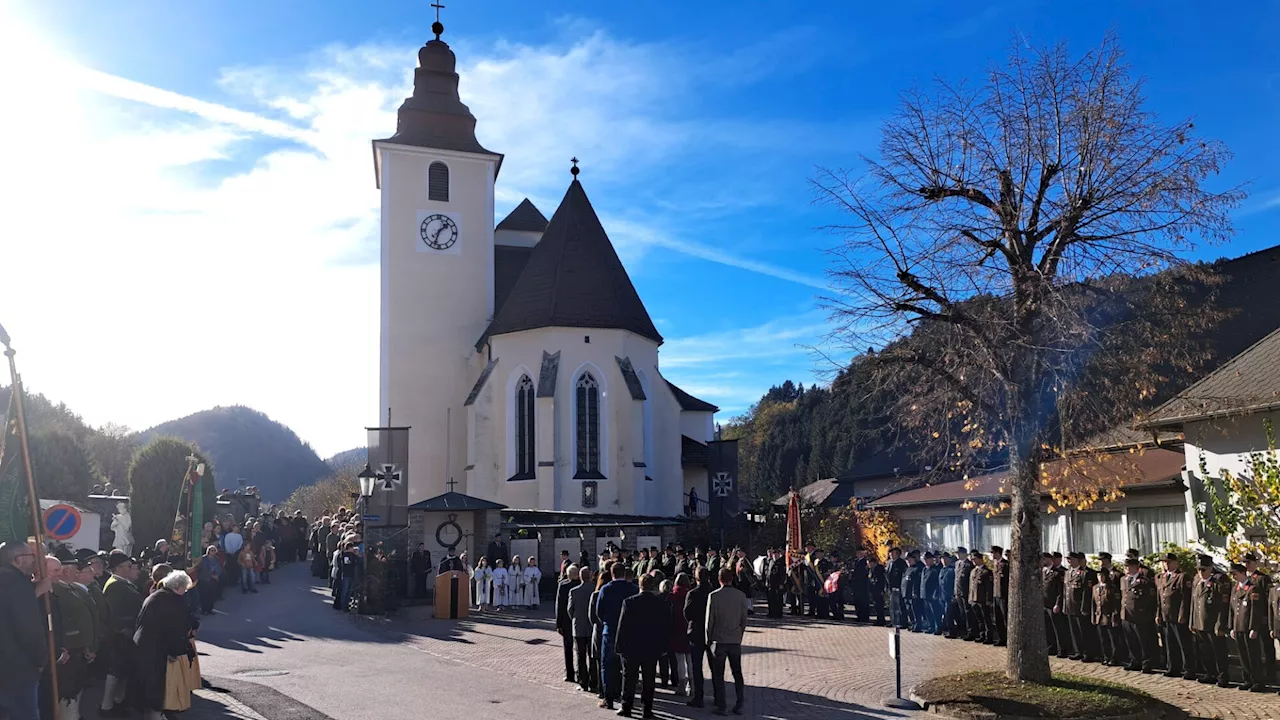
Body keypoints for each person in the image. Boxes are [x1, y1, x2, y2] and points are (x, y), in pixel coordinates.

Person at [134, 570, 198, 720]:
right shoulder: (169, 601)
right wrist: (176, 651)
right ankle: (155, 716)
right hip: (155, 649)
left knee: (150, 685)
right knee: (155, 686)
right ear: (179, 587)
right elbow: (172, 630)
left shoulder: (158, 596)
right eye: (185, 589)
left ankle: (157, 714)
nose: (185, 592)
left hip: (144, 644)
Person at [0, 542, 46, 720]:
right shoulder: (16, 583)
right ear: (19, 560)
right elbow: (29, 629)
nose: (35, 561)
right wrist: (41, 659)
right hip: (17, 669)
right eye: (31, 557)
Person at [615, 573, 671, 718]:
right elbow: (665, 627)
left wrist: (619, 646)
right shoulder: (660, 603)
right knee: (649, 679)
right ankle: (647, 709)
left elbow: (623, 626)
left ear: (639, 585)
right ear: (653, 586)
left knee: (629, 679)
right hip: (651, 647)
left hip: (632, 647)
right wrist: (664, 647)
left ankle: (626, 706)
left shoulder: (629, 602)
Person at [100, 551, 142, 718]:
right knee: (116, 669)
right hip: (120, 635)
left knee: (122, 669)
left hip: (126, 633)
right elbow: (114, 612)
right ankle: (107, 705)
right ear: (118, 568)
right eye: (128, 566)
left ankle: (117, 701)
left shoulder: (122, 583)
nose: (131, 569)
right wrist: (123, 629)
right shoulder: (115, 585)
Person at [706, 566, 748, 716]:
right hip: (735, 639)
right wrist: (739, 634)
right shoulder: (741, 596)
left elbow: (709, 621)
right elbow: (744, 619)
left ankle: (721, 705)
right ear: (732, 579)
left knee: (719, 674)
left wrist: (708, 639)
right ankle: (740, 703)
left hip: (719, 640)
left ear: (719, 579)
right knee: (737, 672)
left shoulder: (714, 596)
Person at [597, 562, 636, 710]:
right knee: (625, 667)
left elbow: (599, 611)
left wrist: (606, 622)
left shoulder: (605, 589)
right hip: (628, 633)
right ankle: (622, 695)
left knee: (607, 665)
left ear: (612, 573)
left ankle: (608, 698)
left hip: (610, 631)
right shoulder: (633, 589)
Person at [1191, 555, 1230, 687]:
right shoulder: (1197, 581)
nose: (1201, 573)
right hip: (1200, 622)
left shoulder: (1218, 582)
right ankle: (1210, 673)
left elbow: (1222, 606)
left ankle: (1222, 676)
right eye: (1199, 570)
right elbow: (1194, 603)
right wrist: (1193, 621)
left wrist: (1220, 624)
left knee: (1218, 651)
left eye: (1204, 570)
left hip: (1213, 624)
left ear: (1210, 569)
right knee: (1205, 650)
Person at [1121, 555, 1159, 673]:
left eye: (1129, 566)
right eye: (1125, 566)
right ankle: (1134, 661)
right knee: (1131, 640)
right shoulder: (1124, 580)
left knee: (1143, 641)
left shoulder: (1144, 582)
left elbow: (1150, 600)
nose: (1126, 569)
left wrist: (1148, 615)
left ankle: (1146, 663)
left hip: (1140, 616)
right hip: (1126, 614)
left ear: (1136, 567)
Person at [1061, 551, 1098, 662]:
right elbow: (1065, 591)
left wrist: (1084, 608)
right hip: (1069, 606)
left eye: (1071, 559)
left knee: (1084, 631)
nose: (1069, 561)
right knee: (1074, 631)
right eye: (1068, 559)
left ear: (1077, 560)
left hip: (1079, 607)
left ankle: (1087, 652)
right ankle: (1078, 651)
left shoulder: (1083, 573)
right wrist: (1064, 605)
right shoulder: (1068, 573)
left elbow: (1085, 593)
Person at [1092, 552, 1127, 668]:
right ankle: (1106, 656)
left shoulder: (1115, 580)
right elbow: (1094, 602)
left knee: (1113, 638)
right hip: (1100, 615)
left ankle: (1115, 657)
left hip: (1110, 614)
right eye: (1099, 576)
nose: (1100, 577)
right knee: (1103, 639)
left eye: (1102, 575)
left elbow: (1116, 600)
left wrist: (1115, 614)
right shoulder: (1096, 588)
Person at [568, 567, 596, 693]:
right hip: (591, 627)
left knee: (580, 656)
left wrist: (575, 619)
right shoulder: (595, 589)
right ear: (590, 576)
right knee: (593, 656)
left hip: (578, 627)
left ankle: (583, 682)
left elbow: (570, 609)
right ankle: (594, 681)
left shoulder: (574, 591)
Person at [555, 564, 581, 685]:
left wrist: (558, 623)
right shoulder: (582, 584)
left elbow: (559, 606)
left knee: (568, 648)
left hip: (566, 621)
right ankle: (582, 674)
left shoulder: (563, 585)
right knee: (581, 649)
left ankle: (569, 674)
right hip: (580, 621)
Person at [669, 573, 693, 697]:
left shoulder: (672, 596)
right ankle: (692, 686)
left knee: (679, 661)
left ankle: (681, 686)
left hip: (677, 630)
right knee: (690, 660)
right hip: (689, 630)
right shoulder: (691, 594)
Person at [990, 546, 1009, 646]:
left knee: (1005, 618)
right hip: (996, 594)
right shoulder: (995, 564)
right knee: (998, 618)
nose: (992, 555)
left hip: (1003, 596)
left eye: (993, 552)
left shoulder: (1005, 565)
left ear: (998, 553)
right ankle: (1001, 638)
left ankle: (1008, 639)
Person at [764, 548, 786, 619]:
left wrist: (781, 584)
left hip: (777, 584)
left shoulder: (781, 562)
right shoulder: (770, 561)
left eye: (776, 553)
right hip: (770, 584)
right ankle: (771, 613)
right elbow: (767, 572)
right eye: (774, 553)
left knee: (778, 600)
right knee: (771, 599)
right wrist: (767, 582)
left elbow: (783, 574)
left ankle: (778, 614)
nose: (775, 555)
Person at [867, 554, 887, 626]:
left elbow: (881, 580)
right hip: (873, 590)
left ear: (874, 563)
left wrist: (882, 590)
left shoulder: (879, 569)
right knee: (876, 605)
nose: (869, 564)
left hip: (878, 590)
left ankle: (881, 620)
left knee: (879, 605)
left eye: (870, 563)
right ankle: (879, 619)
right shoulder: (871, 570)